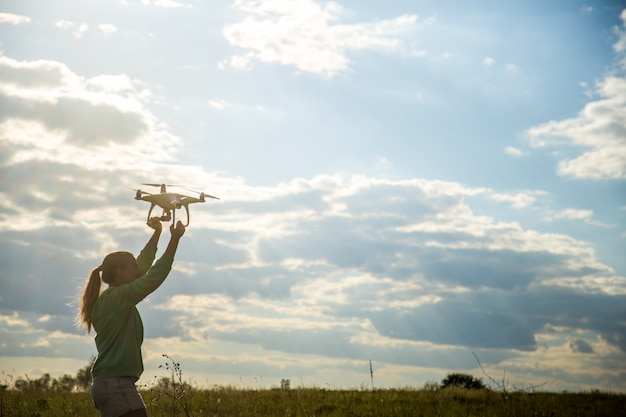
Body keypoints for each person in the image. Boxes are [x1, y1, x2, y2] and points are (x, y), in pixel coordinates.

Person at [78, 217, 186, 417]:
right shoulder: (118, 297)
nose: (138, 270)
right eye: (132, 267)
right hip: (116, 385)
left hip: (106, 384)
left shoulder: (110, 298)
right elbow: (153, 277)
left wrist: (157, 233)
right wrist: (174, 240)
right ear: (120, 272)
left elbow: (143, 267)